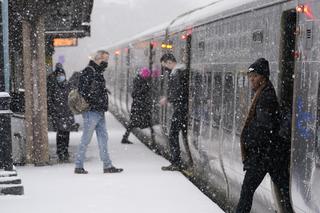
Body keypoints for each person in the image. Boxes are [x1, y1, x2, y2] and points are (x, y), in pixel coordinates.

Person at [236, 58, 293, 213]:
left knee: (247, 190)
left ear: (263, 77)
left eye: (254, 76)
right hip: (271, 153)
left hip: (264, 155)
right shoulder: (264, 92)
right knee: (284, 191)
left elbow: (263, 128)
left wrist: (249, 142)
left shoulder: (265, 96)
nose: (251, 80)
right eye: (250, 77)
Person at [74, 50, 123, 174]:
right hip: (91, 111)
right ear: (98, 59)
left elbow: (94, 89)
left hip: (99, 111)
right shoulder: (89, 71)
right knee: (86, 139)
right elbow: (83, 91)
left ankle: (107, 165)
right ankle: (78, 166)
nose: (106, 63)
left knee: (103, 138)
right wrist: (95, 99)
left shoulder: (98, 72)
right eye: (104, 60)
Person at [159, 53, 191, 171]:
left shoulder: (176, 73)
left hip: (180, 108)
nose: (165, 69)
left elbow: (177, 92)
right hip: (183, 108)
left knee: (173, 134)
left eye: (165, 66)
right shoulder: (181, 70)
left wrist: (167, 99)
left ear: (168, 62)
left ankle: (176, 162)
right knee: (178, 133)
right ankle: (179, 160)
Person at [47, 63, 78, 162]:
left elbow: (73, 98)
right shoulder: (53, 87)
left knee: (66, 133)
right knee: (60, 133)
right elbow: (50, 100)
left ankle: (65, 151)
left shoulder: (69, 85)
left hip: (68, 113)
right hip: (58, 114)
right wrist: (53, 110)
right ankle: (60, 151)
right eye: (59, 75)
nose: (61, 77)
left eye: (62, 75)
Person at [121, 67, 155, 144]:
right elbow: (135, 94)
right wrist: (144, 88)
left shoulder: (139, 80)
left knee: (134, 122)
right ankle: (125, 138)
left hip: (139, 105)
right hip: (139, 105)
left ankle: (125, 137)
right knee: (136, 122)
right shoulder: (140, 81)